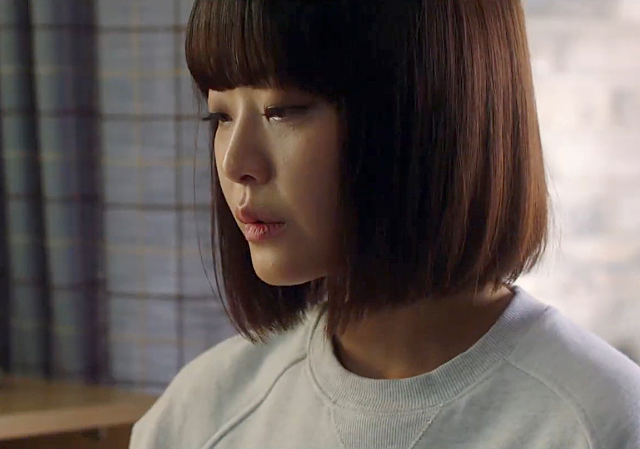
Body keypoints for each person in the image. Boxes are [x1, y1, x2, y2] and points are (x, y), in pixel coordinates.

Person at [129, 0, 640, 448]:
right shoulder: (197, 417)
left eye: (284, 110)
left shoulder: (598, 423)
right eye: (219, 116)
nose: (236, 162)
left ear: (429, 112)